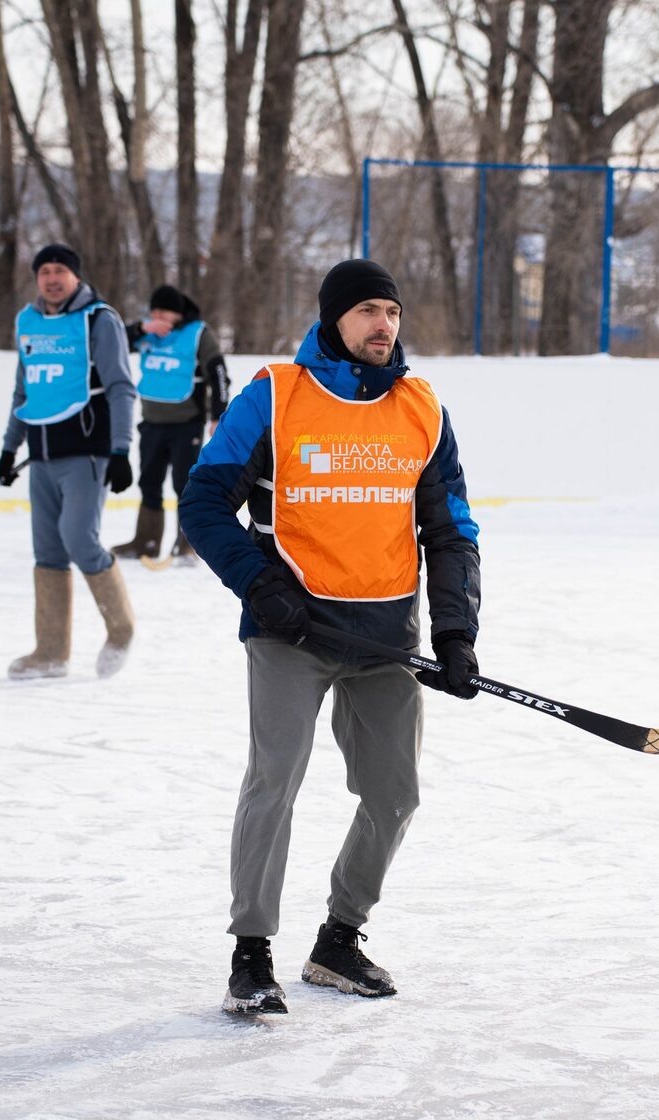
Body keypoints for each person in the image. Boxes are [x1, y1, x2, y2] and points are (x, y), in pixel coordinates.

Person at [179, 258, 481, 1014]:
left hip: (385, 636)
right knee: (274, 780)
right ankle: (251, 954)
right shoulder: (276, 396)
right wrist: (259, 584)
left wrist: (456, 633)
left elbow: (451, 533)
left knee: (396, 792)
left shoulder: (421, 407)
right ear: (334, 319)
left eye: (393, 312)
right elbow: (204, 502)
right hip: (292, 628)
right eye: (369, 311)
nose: (385, 325)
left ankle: (339, 939)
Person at [0, 243, 138, 681]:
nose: (52, 278)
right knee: (49, 551)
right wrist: (8, 449)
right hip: (41, 454)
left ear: (75, 276)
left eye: (60, 271)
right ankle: (51, 653)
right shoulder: (29, 323)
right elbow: (24, 391)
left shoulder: (99, 319)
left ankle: (122, 627)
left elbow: (120, 387)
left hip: (87, 451)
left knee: (79, 539)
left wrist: (120, 450)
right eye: (44, 272)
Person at [109, 284, 231, 563]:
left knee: (184, 485)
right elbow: (112, 342)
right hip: (151, 422)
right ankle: (146, 541)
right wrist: (142, 328)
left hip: (186, 424)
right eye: (154, 311)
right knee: (149, 482)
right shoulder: (148, 332)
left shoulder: (198, 333)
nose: (158, 316)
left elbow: (219, 373)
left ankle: (187, 544)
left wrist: (218, 414)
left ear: (177, 313)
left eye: (164, 311)